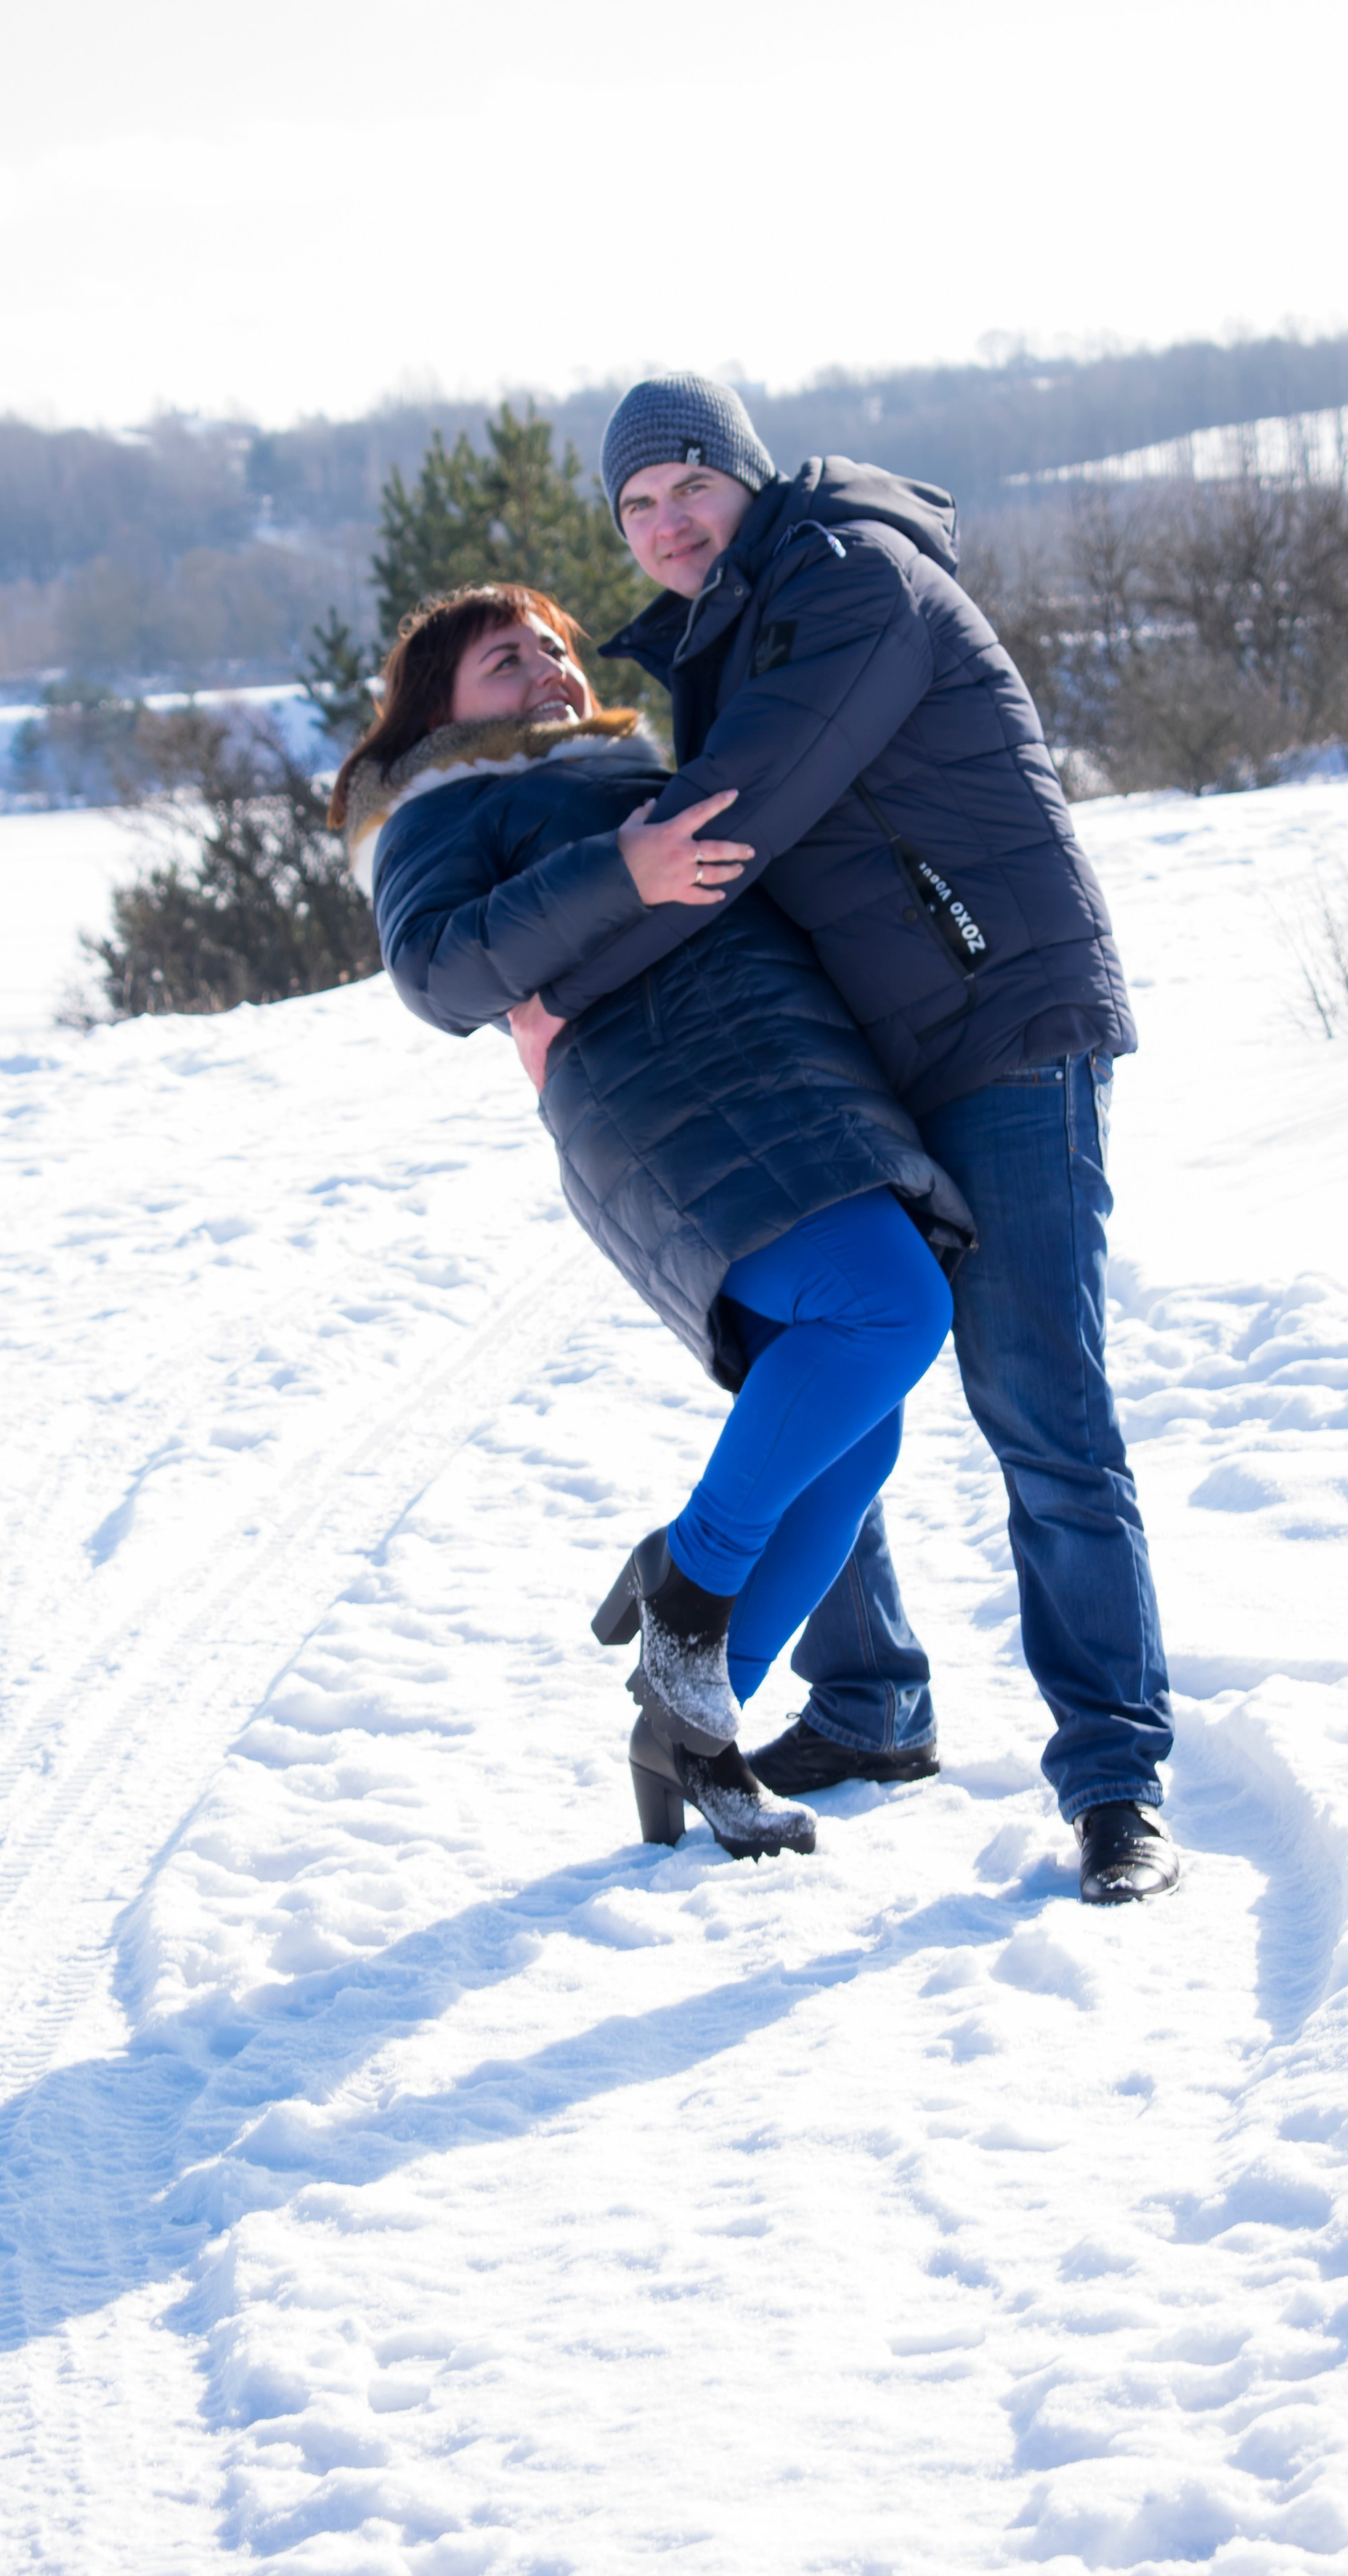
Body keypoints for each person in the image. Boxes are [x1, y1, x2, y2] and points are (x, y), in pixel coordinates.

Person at [504, 374, 1180, 1906]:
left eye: (687, 483)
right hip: (876, 1047)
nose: (666, 522)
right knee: (827, 1365)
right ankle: (870, 1708)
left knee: (1041, 1411)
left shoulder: (849, 575)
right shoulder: (725, 630)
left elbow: (729, 833)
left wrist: (548, 986)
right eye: (635, 506)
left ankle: (1113, 1784)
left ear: (746, 477)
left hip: (1001, 1028)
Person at [330, 582, 973, 1862]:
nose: (551, 672)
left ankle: (696, 1720)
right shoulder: (434, 807)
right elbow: (439, 969)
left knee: (860, 1432)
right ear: (435, 713)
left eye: (557, 650)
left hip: (779, 1073)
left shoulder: (620, 769)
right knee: (892, 1310)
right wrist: (623, 865)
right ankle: (688, 1589)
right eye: (507, 662)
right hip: (673, 1099)